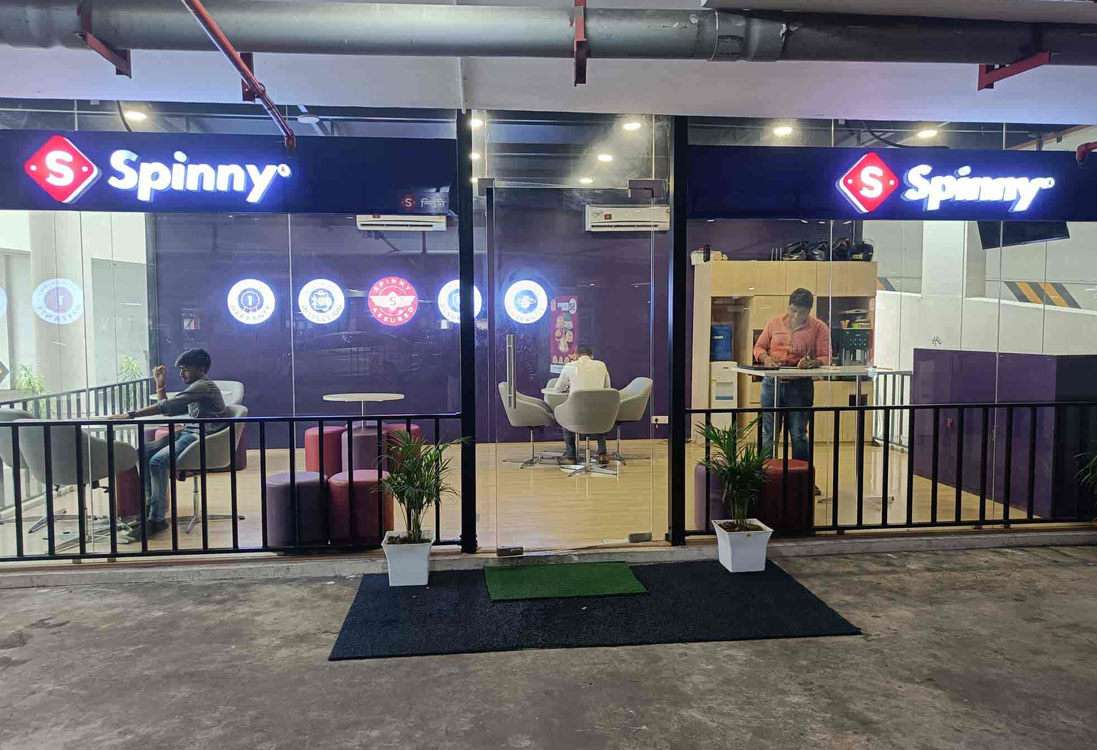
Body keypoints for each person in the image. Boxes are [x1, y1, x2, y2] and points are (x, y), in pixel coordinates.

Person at [109, 349, 227, 541]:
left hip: (202, 436)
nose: (181, 374)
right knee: (143, 453)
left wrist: (130, 415)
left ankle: (156, 520)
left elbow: (167, 406)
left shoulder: (203, 386)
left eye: (185, 369)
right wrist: (160, 385)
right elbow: (169, 410)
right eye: (181, 369)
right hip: (191, 432)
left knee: (157, 461)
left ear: (201, 369)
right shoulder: (197, 387)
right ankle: (151, 512)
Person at [752, 288, 831, 464]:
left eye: (801, 313)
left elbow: (825, 357)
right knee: (769, 433)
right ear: (788, 306)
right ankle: (766, 473)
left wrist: (811, 363)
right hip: (772, 383)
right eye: (793, 310)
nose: (795, 316)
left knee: (798, 433)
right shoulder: (774, 323)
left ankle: (800, 474)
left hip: (800, 386)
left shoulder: (818, 327)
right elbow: (758, 347)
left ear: (809, 311)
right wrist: (766, 358)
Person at [551, 344, 611, 466]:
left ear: (576, 356)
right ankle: (602, 454)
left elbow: (557, 388)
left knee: (565, 420)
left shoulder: (570, 366)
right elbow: (607, 387)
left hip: (577, 415)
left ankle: (571, 456)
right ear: (591, 356)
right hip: (599, 414)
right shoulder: (601, 365)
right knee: (600, 415)